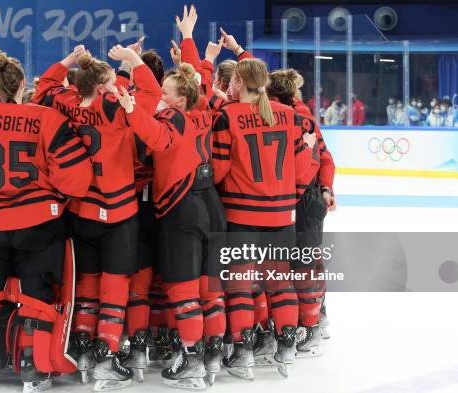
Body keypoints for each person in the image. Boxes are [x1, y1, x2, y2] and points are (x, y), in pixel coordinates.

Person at [0, 50, 93, 392]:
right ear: (22, 84)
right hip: (36, 223)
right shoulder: (46, 118)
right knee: (36, 291)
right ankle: (33, 366)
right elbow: (76, 179)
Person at [32, 44, 161, 391]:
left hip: (80, 208)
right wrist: (133, 61)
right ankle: (107, 355)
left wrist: (69, 62)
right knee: (115, 283)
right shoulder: (114, 107)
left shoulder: (67, 102)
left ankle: (85, 350)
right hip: (118, 210)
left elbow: (44, 87)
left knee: (87, 283)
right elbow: (151, 93)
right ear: (103, 87)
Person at [115, 61, 226, 390]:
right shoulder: (202, 109)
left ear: (178, 100)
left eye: (165, 93)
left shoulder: (172, 117)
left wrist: (132, 109)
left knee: (184, 289)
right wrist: (194, 48)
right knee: (211, 290)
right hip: (212, 203)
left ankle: (191, 360)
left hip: (183, 208)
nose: (160, 97)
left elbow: (156, 137)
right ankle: (213, 355)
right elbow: (200, 81)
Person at [212, 58, 318, 380]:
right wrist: (287, 197)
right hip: (282, 215)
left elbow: (218, 171)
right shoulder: (289, 115)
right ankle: (287, 346)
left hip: (242, 215)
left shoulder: (227, 116)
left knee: (240, 285)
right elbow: (304, 168)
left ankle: (243, 354)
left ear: (239, 82)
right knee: (280, 280)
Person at [268, 68, 336, 359]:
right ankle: (309, 319)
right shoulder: (297, 114)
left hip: (303, 199)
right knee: (296, 262)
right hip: (299, 198)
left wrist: (324, 188)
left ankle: (311, 324)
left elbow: (324, 157)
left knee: (305, 262)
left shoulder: (299, 118)